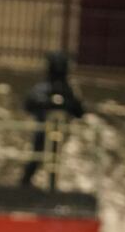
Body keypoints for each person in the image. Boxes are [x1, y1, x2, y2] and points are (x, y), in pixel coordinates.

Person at [20, 51, 84, 189]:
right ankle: (25, 184)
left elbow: (79, 110)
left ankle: (52, 187)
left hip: (62, 132)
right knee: (38, 155)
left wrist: (63, 104)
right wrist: (50, 103)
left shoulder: (69, 89)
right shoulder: (43, 87)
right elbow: (30, 103)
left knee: (55, 160)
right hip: (43, 129)